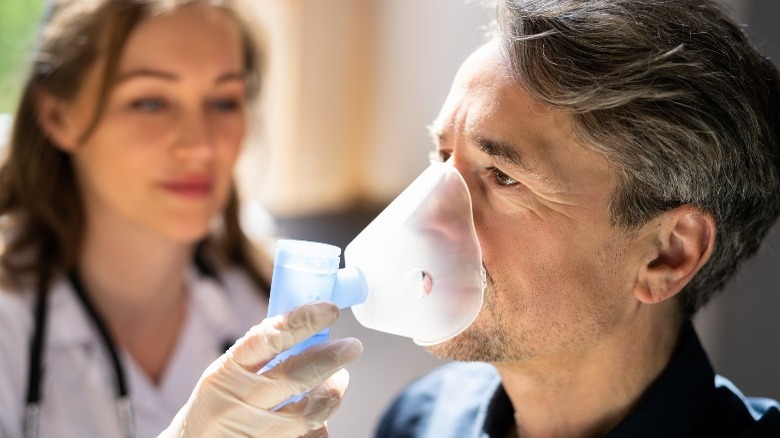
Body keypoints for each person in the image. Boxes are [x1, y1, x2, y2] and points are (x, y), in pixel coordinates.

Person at [377, 0, 780, 437]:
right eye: (442, 157)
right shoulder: (419, 420)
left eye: (502, 177)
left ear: (667, 254)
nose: (427, 212)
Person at [0, 1, 362, 437]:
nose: (200, 146)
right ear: (58, 116)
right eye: (150, 102)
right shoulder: (12, 318)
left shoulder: (257, 293)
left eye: (223, 102)